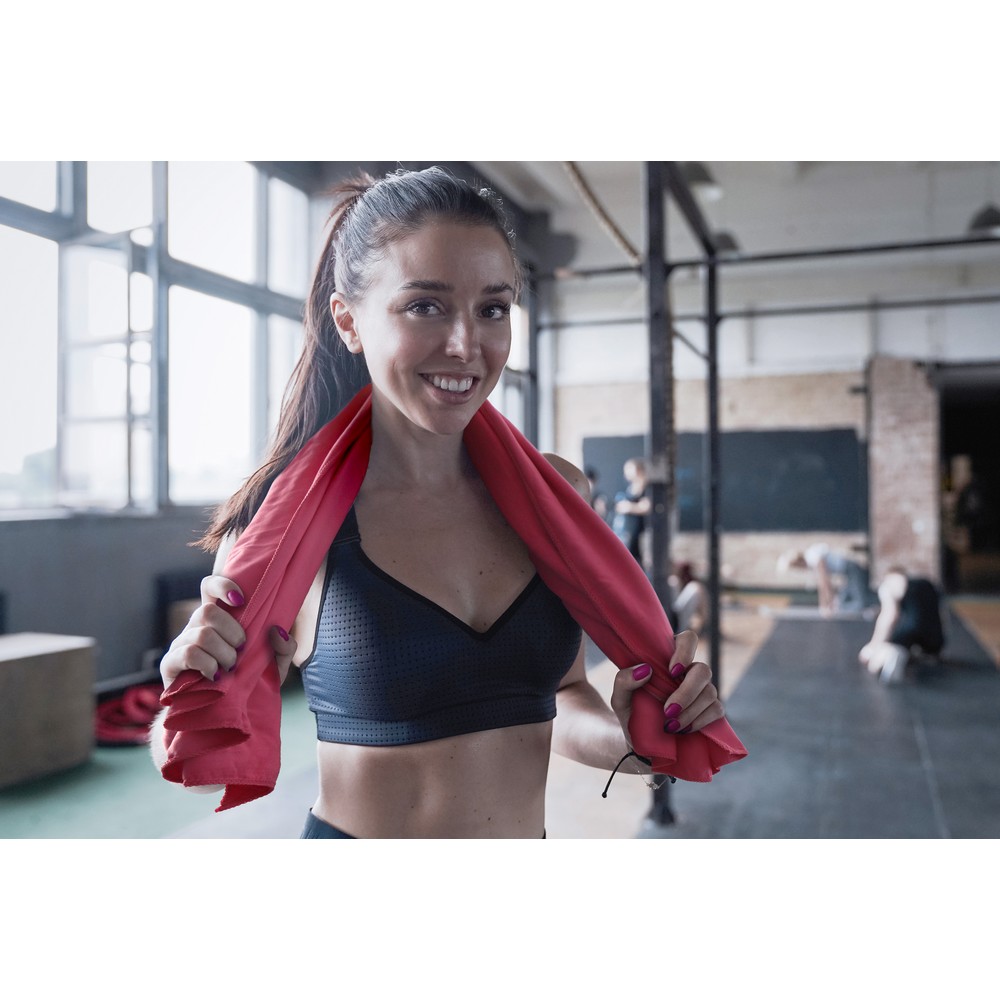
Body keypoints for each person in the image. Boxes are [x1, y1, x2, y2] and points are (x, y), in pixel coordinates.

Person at [151, 167, 727, 839]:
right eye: (425, 305)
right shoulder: (286, 531)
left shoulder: (558, 496)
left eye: (492, 308)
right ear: (349, 321)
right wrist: (180, 684)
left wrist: (636, 738)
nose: (466, 345)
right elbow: (193, 748)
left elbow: (562, 697)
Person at [859, 566, 944, 685]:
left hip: (911, 629)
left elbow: (890, 615)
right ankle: (905, 652)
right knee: (913, 648)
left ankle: (893, 653)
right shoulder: (925, 584)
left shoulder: (889, 585)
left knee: (874, 662)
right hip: (934, 639)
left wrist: (874, 645)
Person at [780, 543, 875, 614]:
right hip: (847, 573)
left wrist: (825, 605)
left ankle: (874, 607)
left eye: (796, 567)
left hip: (852, 569)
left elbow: (824, 581)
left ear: (798, 562)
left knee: (860, 603)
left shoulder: (812, 556)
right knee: (841, 601)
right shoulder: (811, 562)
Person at [612, 457, 651, 564]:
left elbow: (646, 506)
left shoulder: (647, 487)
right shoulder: (630, 488)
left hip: (643, 532)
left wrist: (628, 507)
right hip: (630, 533)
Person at [670, 562, 708, 636]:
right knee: (674, 581)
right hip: (664, 626)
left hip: (674, 621)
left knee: (694, 587)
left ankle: (705, 628)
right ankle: (705, 628)